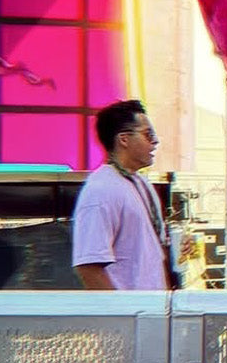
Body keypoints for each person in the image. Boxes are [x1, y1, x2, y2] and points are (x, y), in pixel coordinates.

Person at [72, 99, 170, 292]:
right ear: (124, 139)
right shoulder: (101, 190)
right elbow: (89, 266)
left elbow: (155, 257)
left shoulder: (142, 184)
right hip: (129, 310)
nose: (155, 142)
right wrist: (119, 310)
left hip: (153, 308)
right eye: (148, 135)